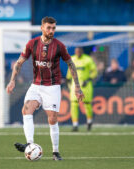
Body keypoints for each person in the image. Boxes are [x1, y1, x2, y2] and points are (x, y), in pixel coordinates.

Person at [6, 16, 84, 161]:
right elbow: (19, 62)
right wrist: (12, 81)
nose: (51, 30)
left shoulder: (59, 46)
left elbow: (71, 64)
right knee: (26, 110)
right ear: (42, 28)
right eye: (48, 27)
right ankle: (29, 144)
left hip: (52, 87)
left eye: (54, 28)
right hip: (36, 85)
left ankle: (55, 152)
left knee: (52, 119)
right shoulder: (32, 44)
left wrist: (77, 87)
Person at [66, 47, 97, 131]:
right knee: (74, 104)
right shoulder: (72, 58)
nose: (78, 53)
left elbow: (94, 71)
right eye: (76, 51)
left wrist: (88, 79)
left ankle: (89, 121)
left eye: (79, 51)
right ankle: (75, 125)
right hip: (75, 85)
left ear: (82, 52)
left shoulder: (88, 59)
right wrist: (68, 78)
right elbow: (70, 70)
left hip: (85, 85)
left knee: (87, 104)